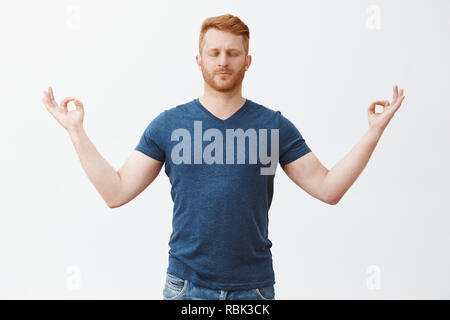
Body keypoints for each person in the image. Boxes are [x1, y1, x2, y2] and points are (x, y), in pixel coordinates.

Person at [42, 14, 405, 300]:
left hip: (254, 288)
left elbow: (328, 188)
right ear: (198, 59)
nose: (223, 61)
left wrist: (373, 131)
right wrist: (76, 131)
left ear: (248, 61)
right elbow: (115, 192)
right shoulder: (169, 125)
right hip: (186, 286)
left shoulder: (272, 125)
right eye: (214, 52)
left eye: (232, 53)